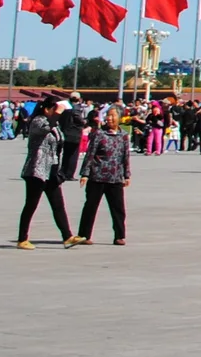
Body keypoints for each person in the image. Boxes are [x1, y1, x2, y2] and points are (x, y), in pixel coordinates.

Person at [16, 100, 79, 248]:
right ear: (47, 109)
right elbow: (45, 129)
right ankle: (22, 239)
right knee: (31, 205)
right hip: (36, 169)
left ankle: (67, 236)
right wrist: (56, 114)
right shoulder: (37, 121)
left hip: (51, 169)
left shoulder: (54, 123)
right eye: (54, 110)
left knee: (58, 204)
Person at [73, 104, 131, 243]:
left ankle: (119, 236)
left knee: (118, 209)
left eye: (113, 115)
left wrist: (127, 175)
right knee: (91, 207)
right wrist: (85, 174)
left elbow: (126, 156)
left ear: (120, 118)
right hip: (97, 176)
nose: (109, 118)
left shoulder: (123, 135)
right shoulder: (99, 133)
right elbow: (90, 154)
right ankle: (84, 235)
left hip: (115, 177)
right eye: (108, 115)